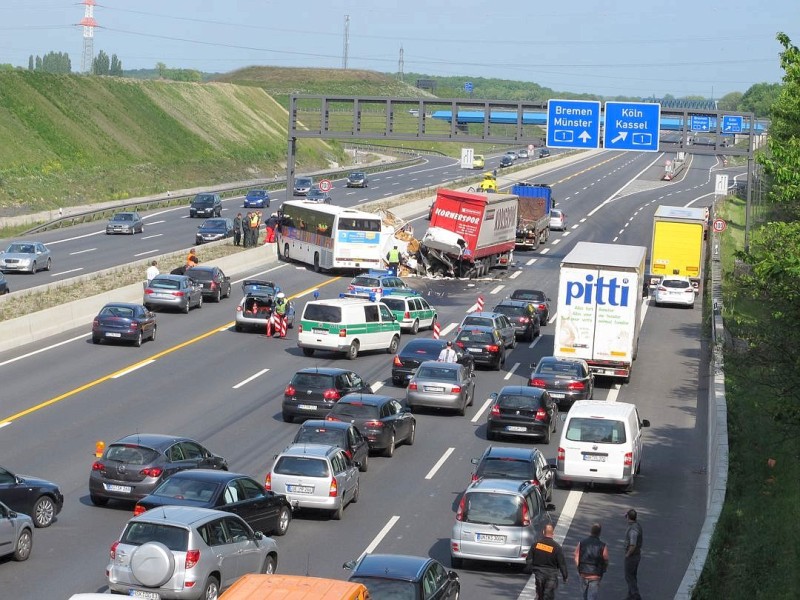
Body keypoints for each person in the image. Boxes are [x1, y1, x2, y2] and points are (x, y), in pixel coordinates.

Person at [529, 523, 568, 600]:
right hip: (552, 575)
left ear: (543, 532)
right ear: (553, 534)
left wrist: (533, 569)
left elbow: (529, 560)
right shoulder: (557, 547)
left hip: (539, 573)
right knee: (548, 595)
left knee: (540, 594)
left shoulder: (536, 545)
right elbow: (562, 564)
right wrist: (565, 576)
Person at [574, 523, 609, 600]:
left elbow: (576, 557)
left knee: (584, 595)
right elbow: (606, 560)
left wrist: (579, 568)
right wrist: (603, 570)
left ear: (591, 531)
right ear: (599, 533)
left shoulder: (582, 543)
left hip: (583, 573)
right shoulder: (603, 545)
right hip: (595, 575)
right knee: (592, 597)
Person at [624, 509, 643, 600]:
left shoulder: (633, 529)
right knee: (632, 576)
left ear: (628, 517)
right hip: (636, 555)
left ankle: (636, 595)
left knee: (629, 576)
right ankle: (630, 595)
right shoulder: (637, 526)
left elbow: (633, 544)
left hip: (632, 556)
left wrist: (628, 554)